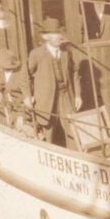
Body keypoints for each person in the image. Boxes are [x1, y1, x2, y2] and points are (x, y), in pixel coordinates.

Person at [27, 18, 82, 147]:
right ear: (46, 37)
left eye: (60, 33)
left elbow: (75, 72)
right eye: (55, 34)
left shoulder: (66, 51)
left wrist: (78, 95)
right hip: (45, 98)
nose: (59, 37)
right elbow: (26, 76)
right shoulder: (36, 54)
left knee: (71, 128)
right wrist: (27, 96)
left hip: (65, 95)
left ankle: (74, 157)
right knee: (48, 131)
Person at [0, 51, 31, 129]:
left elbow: (26, 92)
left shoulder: (19, 75)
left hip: (20, 110)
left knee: (20, 129)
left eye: (0, 65)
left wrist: (22, 115)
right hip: (7, 108)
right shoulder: (0, 74)